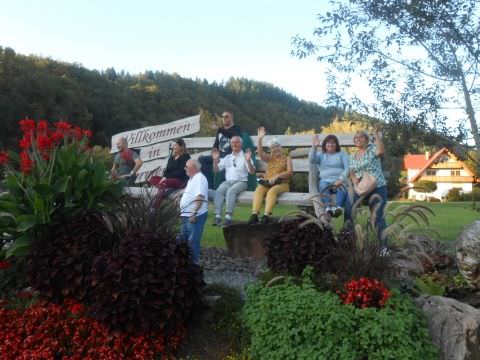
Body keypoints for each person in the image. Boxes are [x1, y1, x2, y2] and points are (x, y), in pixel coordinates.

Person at [344, 128, 388, 249]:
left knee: (377, 216)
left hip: (377, 186)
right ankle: (347, 242)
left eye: (361, 137)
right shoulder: (352, 156)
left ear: (367, 140)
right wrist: (355, 184)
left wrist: (376, 135)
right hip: (361, 187)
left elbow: (381, 151)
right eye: (356, 137)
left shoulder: (371, 150)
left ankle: (384, 248)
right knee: (349, 210)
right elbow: (352, 172)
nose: (358, 139)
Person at [248, 127, 292, 225]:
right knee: (259, 189)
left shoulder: (287, 158)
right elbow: (260, 152)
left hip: (282, 184)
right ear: (270, 149)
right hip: (268, 182)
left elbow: (289, 172)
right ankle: (254, 214)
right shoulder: (270, 158)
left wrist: (277, 176)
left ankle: (266, 215)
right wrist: (259, 139)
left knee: (272, 191)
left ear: (281, 147)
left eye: (277, 146)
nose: (275, 149)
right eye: (272, 147)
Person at [212, 136, 255, 226]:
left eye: (236, 142)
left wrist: (248, 161)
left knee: (231, 191)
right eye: (232, 142)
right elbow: (216, 170)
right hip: (228, 182)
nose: (234, 144)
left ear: (241, 144)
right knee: (219, 191)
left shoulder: (245, 156)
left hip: (241, 182)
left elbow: (251, 172)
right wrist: (215, 161)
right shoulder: (228, 157)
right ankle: (218, 216)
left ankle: (228, 217)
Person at [309, 134, 350, 217]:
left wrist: (340, 179)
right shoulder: (321, 154)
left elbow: (348, 168)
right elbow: (312, 160)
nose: (330, 144)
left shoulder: (342, 154)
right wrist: (314, 147)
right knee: (322, 184)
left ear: (336, 144)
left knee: (342, 187)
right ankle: (328, 208)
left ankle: (337, 208)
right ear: (324, 144)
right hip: (325, 181)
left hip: (339, 181)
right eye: (328, 143)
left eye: (333, 143)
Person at [177, 159, 209, 264]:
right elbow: (189, 192)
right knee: (183, 240)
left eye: (187, 166)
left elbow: (200, 196)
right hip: (185, 215)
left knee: (192, 241)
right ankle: (184, 263)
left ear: (194, 168)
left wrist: (194, 212)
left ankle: (193, 265)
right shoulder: (192, 178)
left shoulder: (200, 178)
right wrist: (180, 196)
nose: (185, 168)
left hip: (194, 216)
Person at [199, 111, 241, 189]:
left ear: (231, 118)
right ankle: (209, 186)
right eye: (222, 117)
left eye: (226, 116)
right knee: (202, 159)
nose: (223, 118)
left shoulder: (236, 129)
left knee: (222, 170)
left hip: (229, 157)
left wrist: (219, 129)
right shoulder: (220, 130)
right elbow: (216, 144)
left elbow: (233, 136)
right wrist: (213, 152)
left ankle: (222, 191)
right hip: (219, 156)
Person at [148, 138, 191, 204]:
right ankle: (163, 186)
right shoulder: (172, 157)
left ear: (181, 146)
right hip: (168, 180)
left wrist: (166, 177)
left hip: (180, 180)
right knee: (152, 178)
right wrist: (164, 177)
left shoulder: (185, 156)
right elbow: (167, 170)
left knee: (165, 182)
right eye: (173, 145)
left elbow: (181, 172)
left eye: (175, 145)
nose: (173, 147)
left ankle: (155, 205)